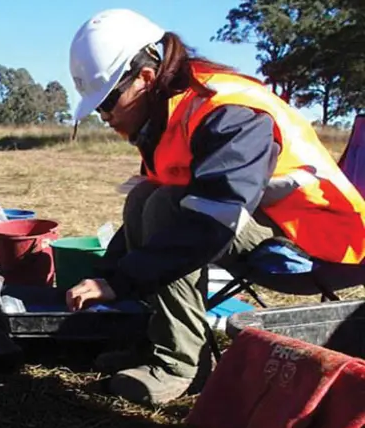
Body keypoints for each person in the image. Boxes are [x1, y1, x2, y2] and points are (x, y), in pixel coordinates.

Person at [65, 9, 365, 405]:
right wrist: (107, 275)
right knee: (147, 199)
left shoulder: (230, 113)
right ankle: (153, 340)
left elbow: (210, 222)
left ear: (146, 78)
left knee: (167, 210)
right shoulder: (169, 115)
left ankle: (181, 366)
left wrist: (119, 282)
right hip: (259, 226)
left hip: (321, 248)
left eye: (107, 102)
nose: (105, 117)